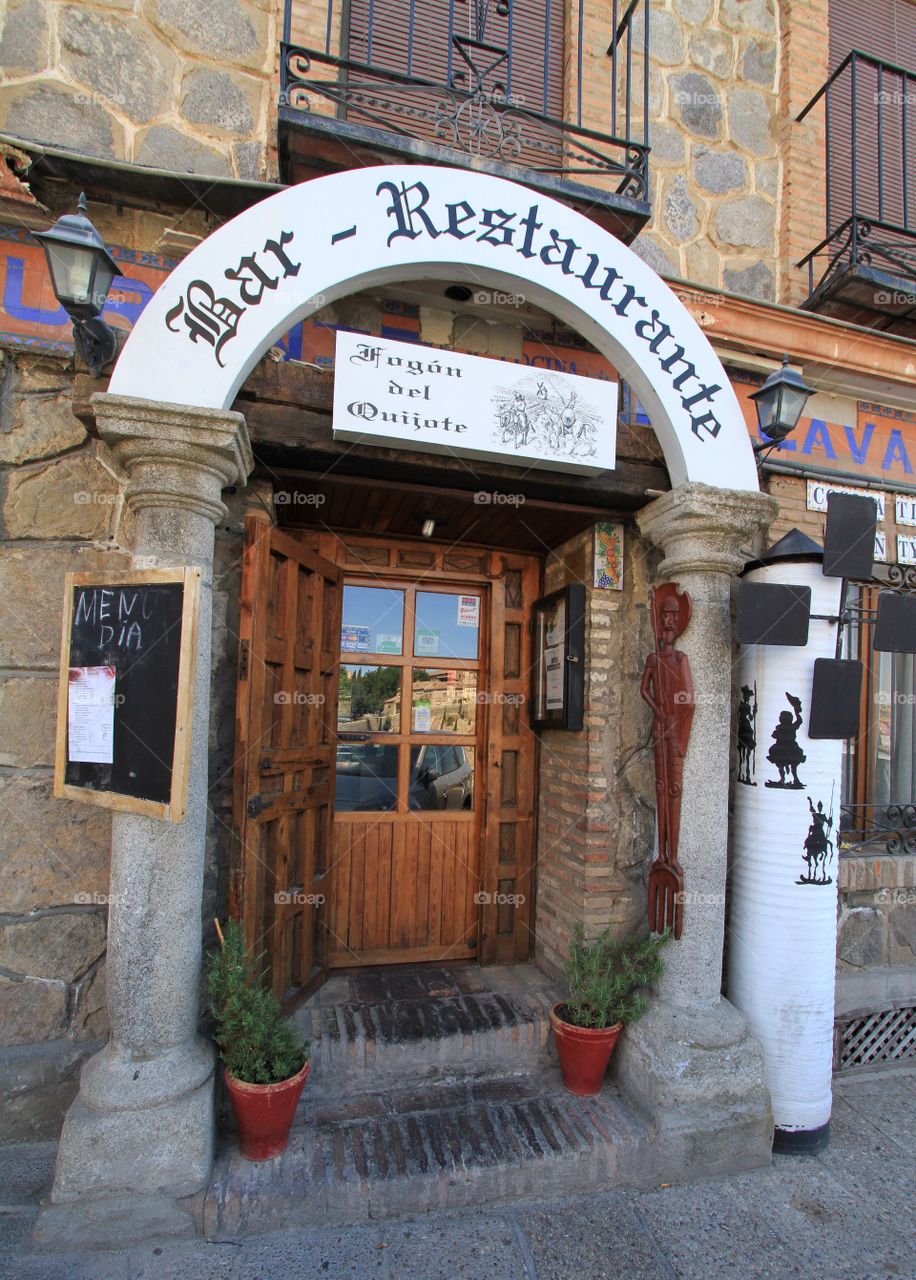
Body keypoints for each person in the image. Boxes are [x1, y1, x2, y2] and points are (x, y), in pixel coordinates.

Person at [640, 584, 695, 864]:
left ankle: (672, 855)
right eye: (665, 615)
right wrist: (656, 710)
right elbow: (644, 690)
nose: (669, 620)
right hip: (660, 723)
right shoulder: (654, 658)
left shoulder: (679, 658)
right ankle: (661, 854)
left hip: (673, 725)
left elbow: (688, 698)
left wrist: (673, 713)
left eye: (674, 615)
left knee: (674, 788)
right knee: (661, 785)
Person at [765, 692, 806, 789]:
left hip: (780, 750)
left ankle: (785, 779)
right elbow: (799, 721)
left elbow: (774, 735)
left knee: (781, 766)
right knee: (793, 766)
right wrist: (797, 712)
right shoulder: (792, 727)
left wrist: (796, 710)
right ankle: (794, 779)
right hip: (792, 749)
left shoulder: (781, 728)